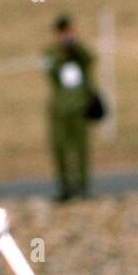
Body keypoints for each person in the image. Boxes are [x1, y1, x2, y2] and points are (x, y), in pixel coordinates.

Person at [43, 15, 96, 203]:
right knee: (60, 148)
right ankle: (64, 187)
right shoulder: (50, 52)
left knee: (81, 148)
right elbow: (51, 72)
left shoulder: (79, 53)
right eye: (62, 32)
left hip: (79, 106)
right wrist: (63, 50)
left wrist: (76, 45)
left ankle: (82, 186)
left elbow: (90, 60)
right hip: (59, 109)